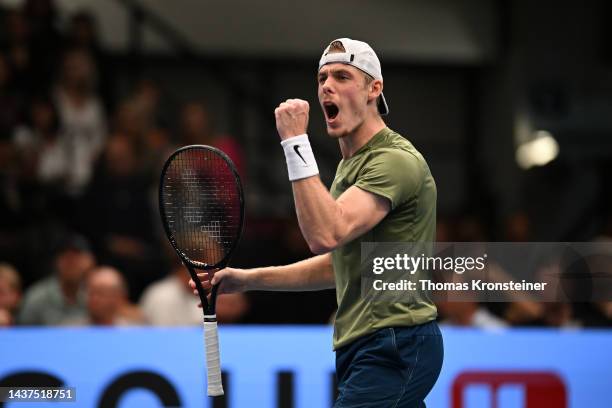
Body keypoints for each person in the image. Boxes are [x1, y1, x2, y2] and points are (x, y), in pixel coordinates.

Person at [192, 38, 443, 407]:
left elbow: (326, 234)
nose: (327, 84)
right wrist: (247, 279)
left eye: (342, 76)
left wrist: (295, 141)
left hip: (396, 342)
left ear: (374, 88)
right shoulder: (348, 168)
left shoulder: (393, 160)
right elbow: (337, 265)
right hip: (364, 345)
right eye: (323, 77)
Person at [17, 232, 94, 325]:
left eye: (77, 258)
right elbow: (23, 334)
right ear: (56, 261)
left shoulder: (97, 295)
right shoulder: (37, 297)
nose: (72, 263)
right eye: (66, 258)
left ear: (90, 261)